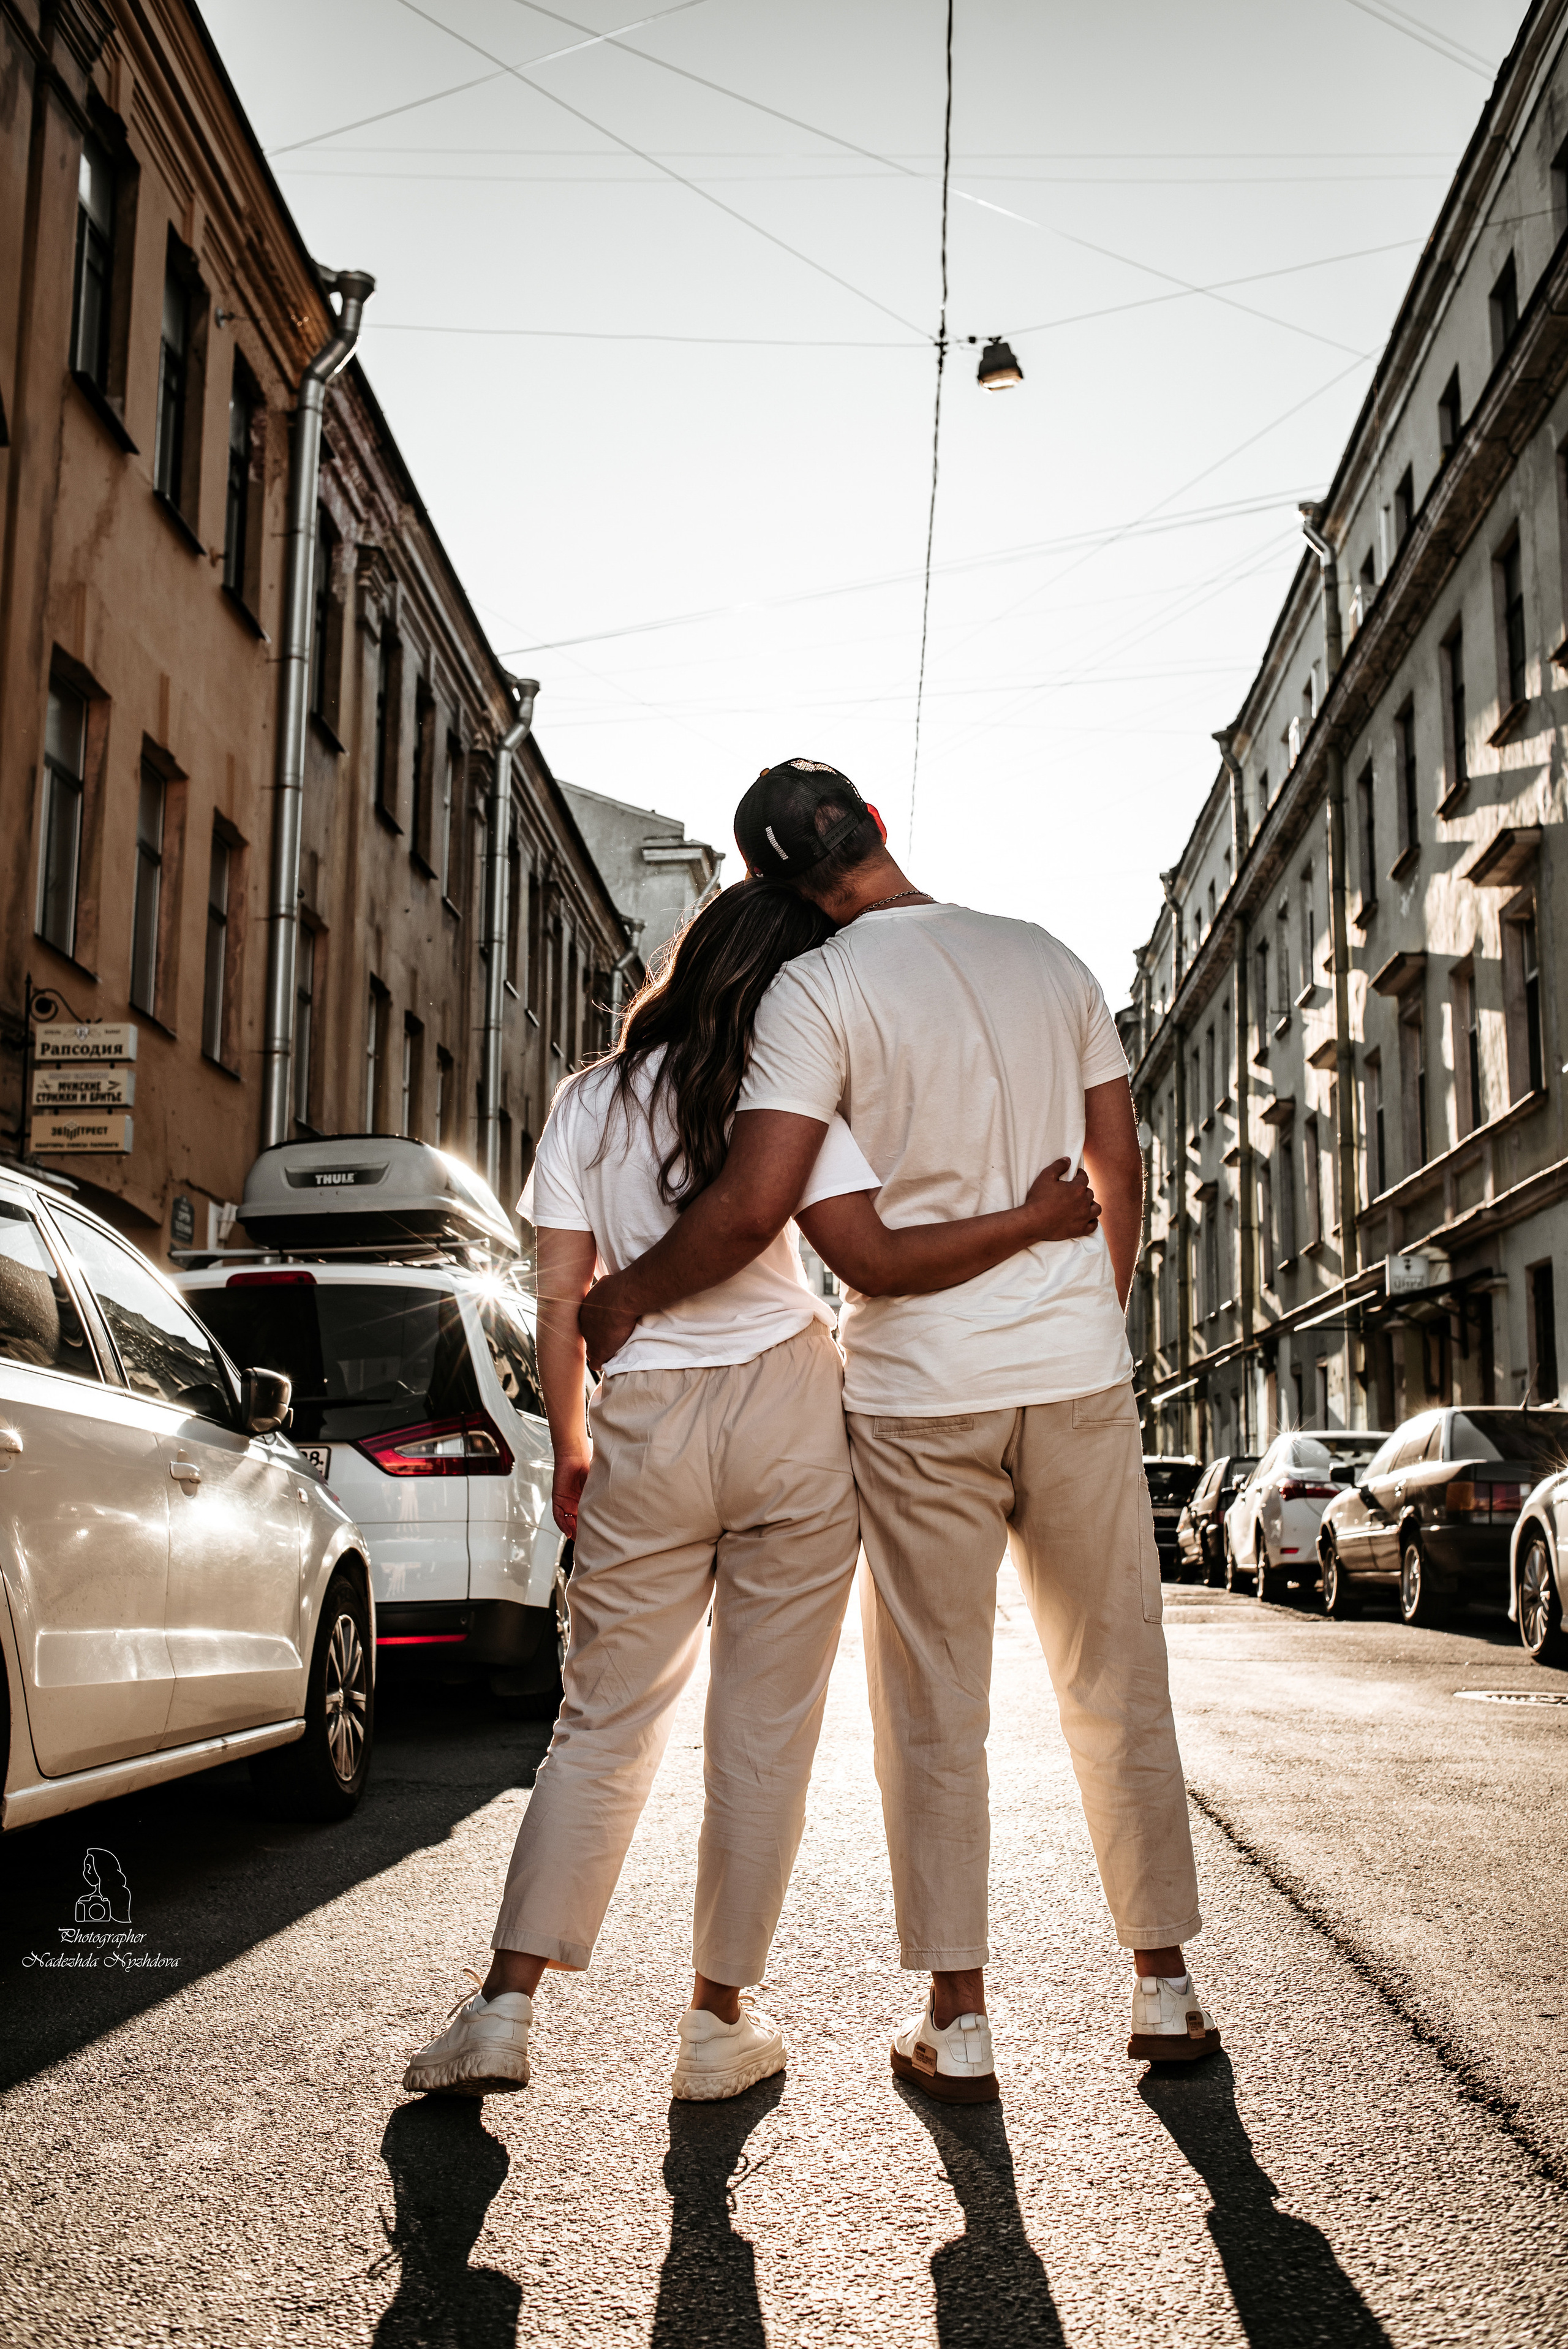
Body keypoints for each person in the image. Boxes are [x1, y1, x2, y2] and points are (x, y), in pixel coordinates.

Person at [579, 760, 1220, 2105]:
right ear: (874, 825)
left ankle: (960, 2021)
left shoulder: (816, 991)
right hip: (1073, 1375)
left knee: (936, 1701)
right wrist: (1087, 1310)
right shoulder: (1046, 957)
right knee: (1115, 1673)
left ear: (770, 881)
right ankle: (1162, 1988)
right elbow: (1121, 1161)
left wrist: (625, 1294)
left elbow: (764, 1209)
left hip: (919, 1389)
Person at [403, 877, 1102, 2103]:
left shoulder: (586, 1103)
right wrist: (1032, 1220)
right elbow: (870, 1259)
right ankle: (715, 2026)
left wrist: (570, 1443)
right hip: (789, 1406)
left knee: (600, 1723)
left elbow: (560, 1300)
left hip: (647, 1425)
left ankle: (505, 2006)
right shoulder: (795, 1098)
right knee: (761, 1736)